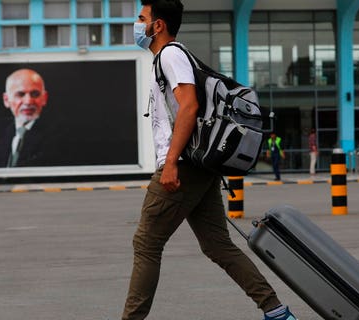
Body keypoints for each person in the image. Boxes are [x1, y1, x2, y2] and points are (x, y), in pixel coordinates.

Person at [121, 1, 297, 320]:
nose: (137, 24)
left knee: (146, 242)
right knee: (217, 245)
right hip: (199, 166)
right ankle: (277, 312)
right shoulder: (173, 56)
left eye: (141, 18)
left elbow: (188, 107)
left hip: (184, 165)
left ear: (157, 25)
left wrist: (171, 162)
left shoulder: (170, 55)